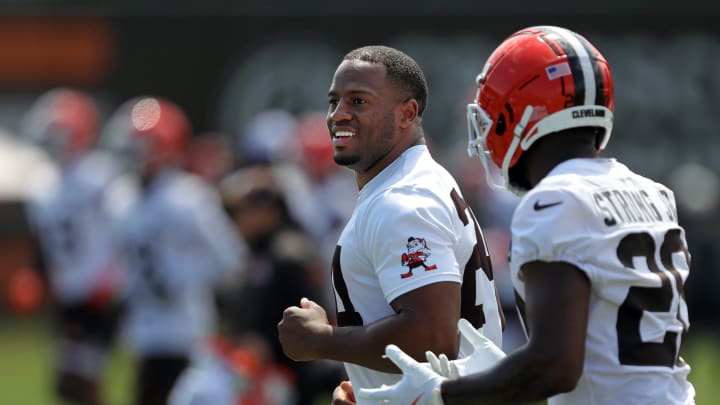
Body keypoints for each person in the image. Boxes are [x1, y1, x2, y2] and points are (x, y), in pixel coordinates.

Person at [358, 25, 696, 404]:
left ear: (513, 116)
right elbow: (598, 341)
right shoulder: (652, 193)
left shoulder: (554, 202)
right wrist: (503, 368)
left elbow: (554, 366)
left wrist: (442, 395)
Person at [277, 45, 505, 402]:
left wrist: (320, 340)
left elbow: (434, 336)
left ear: (407, 113)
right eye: (334, 101)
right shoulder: (417, 181)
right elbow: (471, 327)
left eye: (358, 101)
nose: (338, 115)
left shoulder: (403, 198)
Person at [103, 96, 247, 405]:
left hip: (186, 328)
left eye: (139, 146)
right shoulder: (120, 198)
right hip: (143, 327)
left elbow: (230, 257)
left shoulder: (188, 197)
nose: (131, 154)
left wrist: (190, 278)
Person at [21, 87, 136, 405]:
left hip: (99, 291)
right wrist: (37, 274)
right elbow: (45, 242)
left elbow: (126, 227)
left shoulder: (100, 176)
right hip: (69, 293)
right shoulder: (43, 185)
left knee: (81, 380)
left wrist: (116, 274)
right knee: (68, 384)